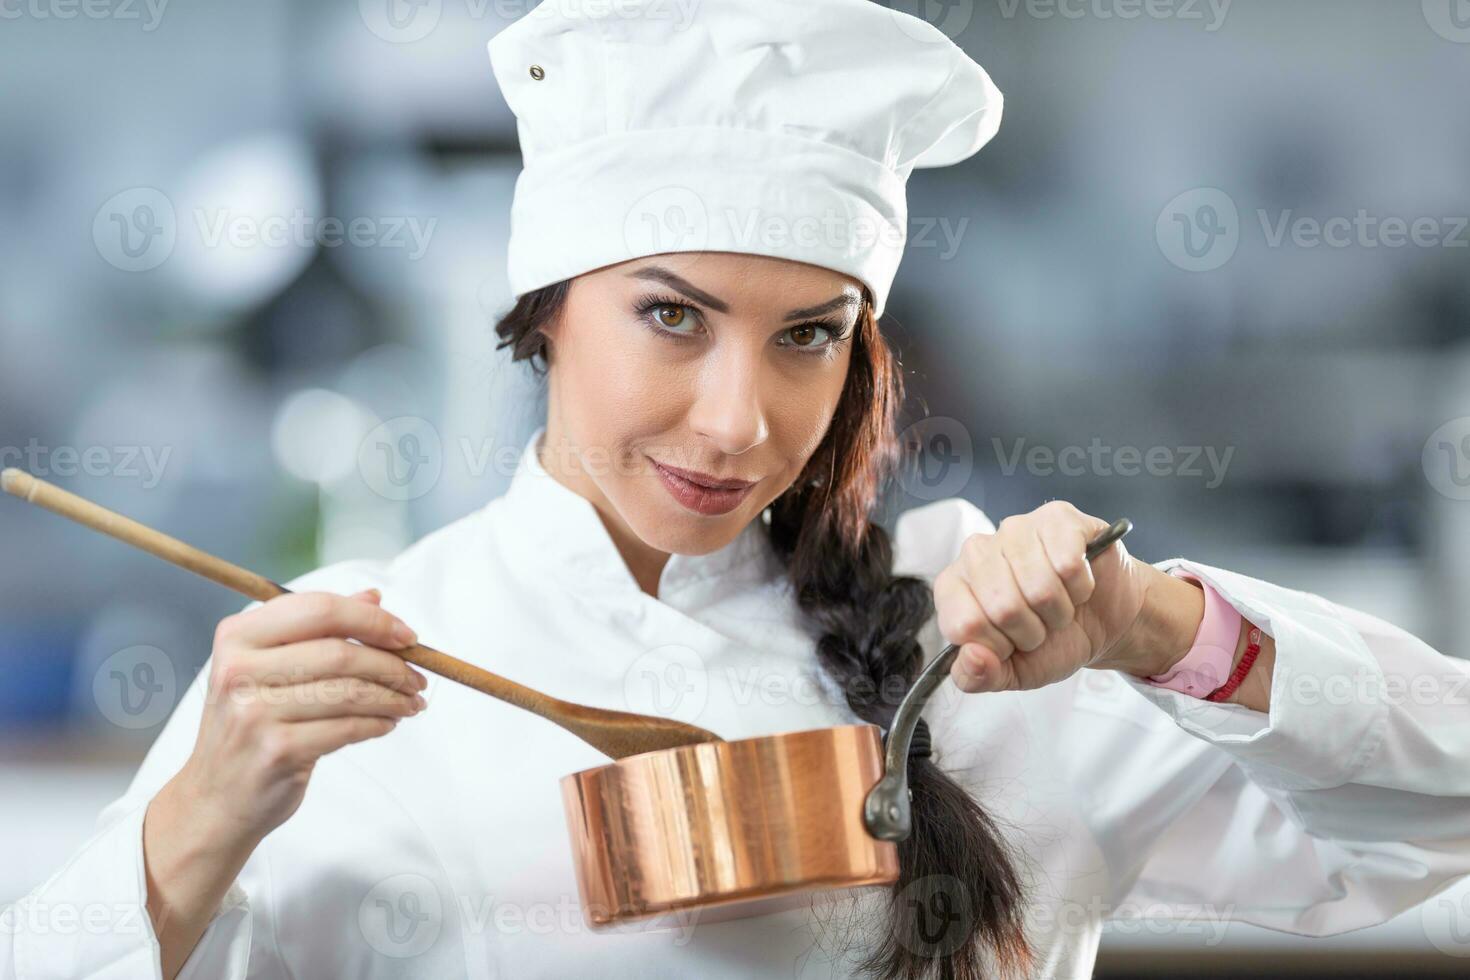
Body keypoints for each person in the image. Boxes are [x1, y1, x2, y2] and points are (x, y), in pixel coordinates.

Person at [6, 0, 1470, 977]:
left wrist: (1165, 630)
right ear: (544, 310)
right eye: (671, 316)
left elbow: (1437, 816)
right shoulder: (335, 658)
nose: (736, 420)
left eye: (806, 339)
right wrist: (200, 814)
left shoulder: (994, 641)